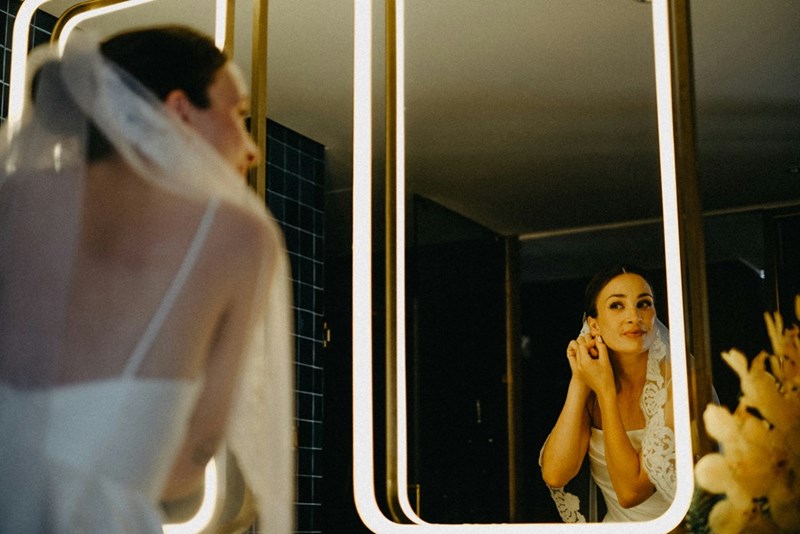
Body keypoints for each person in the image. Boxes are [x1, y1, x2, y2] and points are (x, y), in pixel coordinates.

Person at [0, 26, 294, 532]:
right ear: (179, 109)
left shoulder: (13, 200)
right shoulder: (238, 237)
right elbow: (195, 453)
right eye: (240, 115)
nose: (251, 149)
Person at [539, 265, 675, 522]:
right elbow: (555, 474)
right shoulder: (592, 387)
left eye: (644, 303)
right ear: (594, 325)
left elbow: (631, 493)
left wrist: (606, 392)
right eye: (617, 306)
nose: (634, 316)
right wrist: (580, 379)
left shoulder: (679, 385)